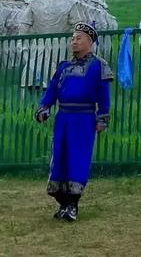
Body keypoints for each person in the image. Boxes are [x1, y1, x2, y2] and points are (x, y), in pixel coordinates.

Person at [35, 21, 113, 222]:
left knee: (77, 158)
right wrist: (44, 107)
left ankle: (73, 205)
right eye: (72, 38)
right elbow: (52, 90)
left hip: (84, 119)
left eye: (78, 38)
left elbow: (104, 97)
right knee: (59, 157)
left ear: (89, 42)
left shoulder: (99, 66)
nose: (74, 42)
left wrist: (102, 118)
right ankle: (62, 202)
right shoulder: (64, 67)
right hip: (63, 118)